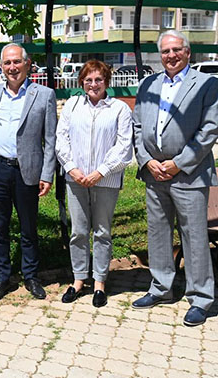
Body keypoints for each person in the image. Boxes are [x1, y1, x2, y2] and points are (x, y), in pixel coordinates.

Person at [132, 30, 218, 327]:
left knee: (194, 235)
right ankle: (161, 288)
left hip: (189, 174)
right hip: (154, 173)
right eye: (166, 51)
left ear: (188, 52)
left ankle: (200, 298)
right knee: (158, 233)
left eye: (176, 50)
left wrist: (177, 164)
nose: (171, 55)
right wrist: (147, 161)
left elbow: (209, 130)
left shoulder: (207, 84)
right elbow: (137, 127)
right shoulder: (148, 84)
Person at [0, 43, 57, 302]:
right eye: (7, 63)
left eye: (17, 62)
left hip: (27, 170)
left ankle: (31, 276)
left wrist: (47, 174)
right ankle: (2, 278)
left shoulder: (44, 95)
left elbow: (50, 139)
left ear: (27, 64)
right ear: (1, 66)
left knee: (28, 227)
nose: (12, 67)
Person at [55, 60, 133, 308]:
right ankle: (78, 280)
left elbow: (124, 146)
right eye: (88, 80)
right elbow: (61, 139)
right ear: (82, 82)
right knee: (78, 231)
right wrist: (72, 168)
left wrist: (100, 172)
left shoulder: (119, 109)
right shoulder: (72, 105)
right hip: (76, 179)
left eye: (98, 79)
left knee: (102, 231)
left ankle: (100, 283)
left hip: (106, 180)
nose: (93, 84)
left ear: (106, 81)